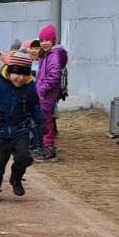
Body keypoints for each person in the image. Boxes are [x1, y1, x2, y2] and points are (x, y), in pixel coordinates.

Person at [0, 52, 45, 202]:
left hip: (20, 129)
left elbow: (35, 107)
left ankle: (16, 178)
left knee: (24, 157)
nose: (21, 78)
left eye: (25, 74)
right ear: (10, 70)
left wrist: (41, 123)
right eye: (17, 74)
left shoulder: (30, 87)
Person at [34, 24, 68, 162]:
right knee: (44, 120)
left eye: (48, 40)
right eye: (42, 40)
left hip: (46, 96)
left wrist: (41, 90)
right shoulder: (46, 55)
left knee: (46, 121)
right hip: (43, 95)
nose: (44, 43)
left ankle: (48, 148)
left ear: (53, 40)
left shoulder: (54, 55)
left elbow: (54, 77)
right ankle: (43, 146)